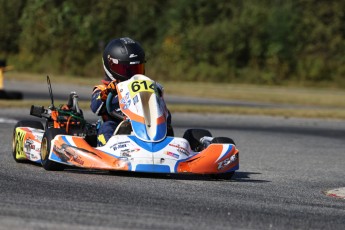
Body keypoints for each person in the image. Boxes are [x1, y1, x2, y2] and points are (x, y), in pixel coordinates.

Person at [90, 37, 172, 146]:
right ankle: (108, 151)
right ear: (111, 66)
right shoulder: (104, 88)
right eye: (126, 70)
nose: (132, 75)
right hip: (118, 127)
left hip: (145, 125)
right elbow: (95, 106)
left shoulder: (145, 86)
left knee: (167, 127)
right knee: (107, 127)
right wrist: (107, 93)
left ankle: (165, 148)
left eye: (136, 69)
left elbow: (166, 114)